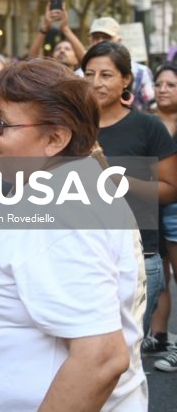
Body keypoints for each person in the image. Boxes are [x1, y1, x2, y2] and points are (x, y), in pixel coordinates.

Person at [0, 58, 148, 410]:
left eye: (1, 124)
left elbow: (101, 358)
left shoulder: (59, 216)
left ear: (55, 138)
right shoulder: (54, 185)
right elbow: (35, 274)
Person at [83, 41, 177, 340]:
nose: (96, 82)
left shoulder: (148, 127)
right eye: (89, 74)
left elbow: (170, 190)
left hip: (138, 256)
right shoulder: (71, 126)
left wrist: (123, 182)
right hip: (82, 254)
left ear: (126, 80)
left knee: (126, 359)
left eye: (106, 75)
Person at [149, 62, 177, 370]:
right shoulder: (148, 121)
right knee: (159, 276)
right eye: (159, 84)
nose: (163, 89)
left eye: (171, 84)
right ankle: (158, 336)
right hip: (151, 204)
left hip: (175, 208)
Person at [27, 0, 85, 72]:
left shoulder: (81, 76)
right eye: (58, 49)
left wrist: (65, 29)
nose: (62, 51)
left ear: (76, 60)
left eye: (67, 49)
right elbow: (31, 61)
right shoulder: (46, 77)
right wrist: (45, 27)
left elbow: (85, 59)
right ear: (52, 58)